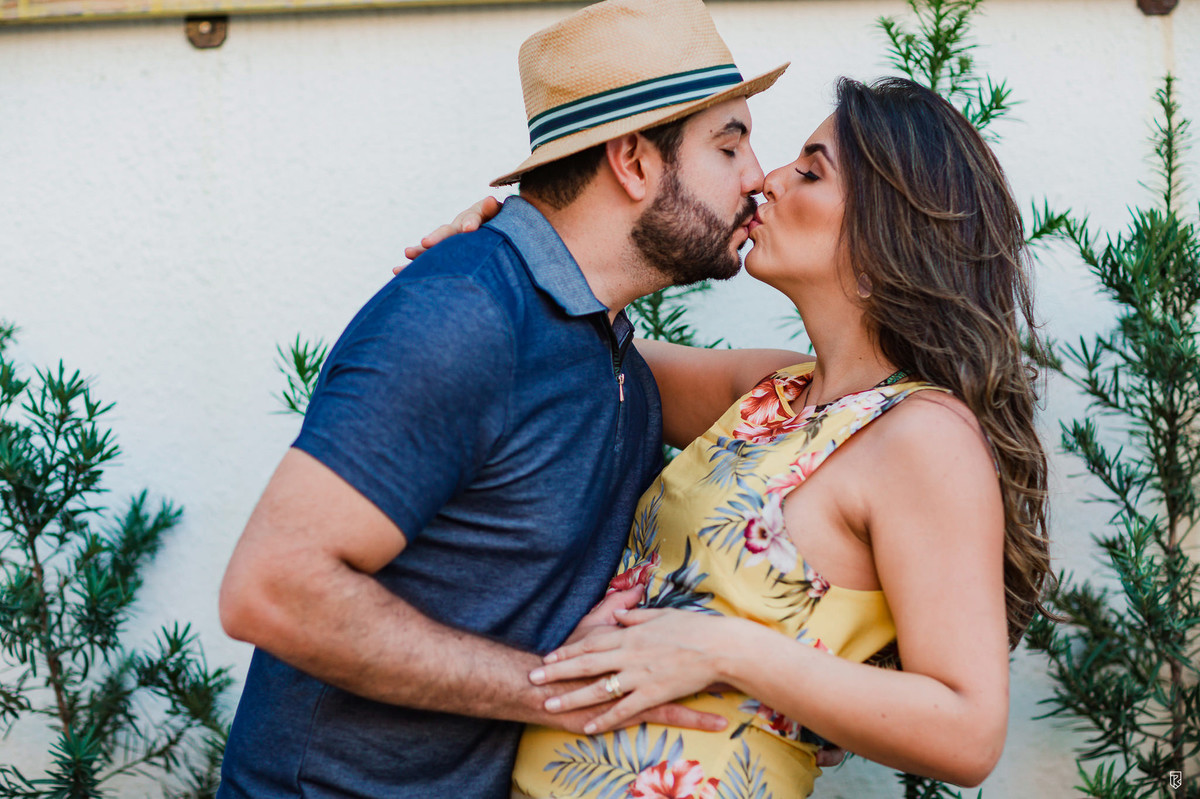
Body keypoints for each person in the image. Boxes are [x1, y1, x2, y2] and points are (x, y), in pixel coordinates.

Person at [417, 77, 1052, 798]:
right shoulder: (770, 391)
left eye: (811, 171)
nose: (768, 180)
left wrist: (723, 648)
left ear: (886, 242)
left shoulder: (923, 438)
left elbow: (968, 731)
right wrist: (507, 255)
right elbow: (559, 346)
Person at [214, 1, 789, 797]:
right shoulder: (465, 314)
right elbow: (270, 589)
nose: (758, 175)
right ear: (634, 161)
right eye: (729, 145)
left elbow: (818, 408)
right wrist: (559, 692)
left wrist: (804, 690)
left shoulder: (600, 340)